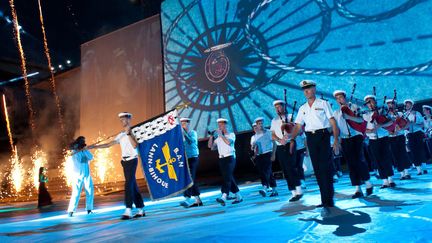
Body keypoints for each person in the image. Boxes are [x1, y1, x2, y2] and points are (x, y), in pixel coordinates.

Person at [289, 80, 341, 217]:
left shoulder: (323, 103)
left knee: (325, 167)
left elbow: (332, 121)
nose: (306, 91)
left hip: (323, 136)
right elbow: (298, 126)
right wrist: (292, 139)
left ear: (314, 89)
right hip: (310, 138)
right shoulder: (302, 108)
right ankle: (325, 199)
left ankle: (328, 199)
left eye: (308, 88)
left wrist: (336, 139)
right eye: (304, 89)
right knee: (317, 170)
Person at [91, 112, 145, 219]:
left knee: (128, 184)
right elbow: (109, 144)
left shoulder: (135, 132)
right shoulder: (120, 134)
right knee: (133, 185)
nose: (122, 122)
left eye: (124, 119)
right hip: (124, 162)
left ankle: (128, 209)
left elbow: (135, 145)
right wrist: (94, 146)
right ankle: (140, 209)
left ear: (129, 119)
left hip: (132, 160)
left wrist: (128, 133)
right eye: (121, 120)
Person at [333, 90, 373, 198]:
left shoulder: (354, 107)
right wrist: (337, 141)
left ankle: (368, 183)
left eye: (341, 97)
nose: (339, 100)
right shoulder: (336, 113)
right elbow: (335, 128)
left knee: (360, 160)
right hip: (345, 139)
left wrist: (349, 117)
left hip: (356, 136)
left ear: (345, 98)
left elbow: (361, 120)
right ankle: (357, 188)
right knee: (351, 164)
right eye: (337, 98)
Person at [271, 100, 303, 202]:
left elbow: (300, 130)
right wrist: (280, 140)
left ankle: (299, 190)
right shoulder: (274, 120)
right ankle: (293, 192)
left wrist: (290, 134)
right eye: (276, 107)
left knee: (291, 167)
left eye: (279, 107)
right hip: (280, 146)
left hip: (290, 144)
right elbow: (272, 135)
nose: (277, 109)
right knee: (285, 169)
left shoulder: (290, 117)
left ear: (284, 107)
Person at [361, 95, 396, 188]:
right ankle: (384, 180)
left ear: (375, 102)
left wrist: (380, 125)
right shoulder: (364, 114)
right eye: (367, 102)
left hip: (383, 137)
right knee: (378, 159)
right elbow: (362, 128)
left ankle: (390, 179)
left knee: (386, 158)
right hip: (372, 139)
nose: (370, 104)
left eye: (371, 101)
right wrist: (370, 131)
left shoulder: (382, 110)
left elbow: (391, 122)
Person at [208, 118, 242, 206]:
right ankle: (238, 196)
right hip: (222, 159)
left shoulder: (231, 134)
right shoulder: (218, 138)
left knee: (227, 177)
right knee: (228, 177)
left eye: (221, 125)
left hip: (230, 158)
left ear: (226, 125)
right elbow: (211, 147)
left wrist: (221, 136)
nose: (220, 127)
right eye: (218, 125)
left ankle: (224, 195)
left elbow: (228, 143)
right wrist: (211, 136)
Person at [67, 136, 94, 217]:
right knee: (76, 192)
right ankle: (71, 210)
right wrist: (79, 150)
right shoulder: (74, 151)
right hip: (77, 174)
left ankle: (89, 209)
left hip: (86, 173)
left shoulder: (84, 150)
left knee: (90, 190)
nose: (84, 142)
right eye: (82, 141)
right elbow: (79, 160)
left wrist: (85, 150)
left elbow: (91, 157)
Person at [251, 117, 277, 197]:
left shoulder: (269, 132)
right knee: (264, 172)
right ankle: (274, 190)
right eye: (259, 124)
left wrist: (273, 154)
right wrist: (253, 147)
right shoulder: (255, 136)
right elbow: (252, 148)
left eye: (262, 123)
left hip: (267, 153)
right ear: (256, 125)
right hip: (259, 156)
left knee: (267, 170)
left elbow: (274, 143)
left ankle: (265, 188)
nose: (260, 125)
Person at [179, 117, 203, 208]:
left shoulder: (193, 133)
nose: (183, 125)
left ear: (188, 124)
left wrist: (184, 133)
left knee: (190, 178)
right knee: (192, 179)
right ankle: (198, 200)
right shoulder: (181, 135)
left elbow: (190, 142)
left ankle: (187, 197)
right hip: (185, 158)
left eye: (184, 123)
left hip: (193, 157)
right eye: (182, 124)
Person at [386, 99, 412, 180]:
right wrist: (389, 132)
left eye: (392, 104)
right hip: (391, 138)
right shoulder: (385, 115)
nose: (390, 105)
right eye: (388, 104)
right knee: (395, 155)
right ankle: (401, 173)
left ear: (395, 105)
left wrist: (402, 128)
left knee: (402, 153)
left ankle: (407, 172)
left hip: (400, 136)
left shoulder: (400, 113)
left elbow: (408, 122)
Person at [404, 99, 428, 175]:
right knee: (413, 151)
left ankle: (424, 168)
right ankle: (418, 169)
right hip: (410, 134)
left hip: (417, 133)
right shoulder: (404, 114)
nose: (407, 105)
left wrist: (413, 123)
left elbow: (421, 123)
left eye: (409, 104)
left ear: (412, 105)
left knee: (420, 150)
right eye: (406, 104)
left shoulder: (417, 113)